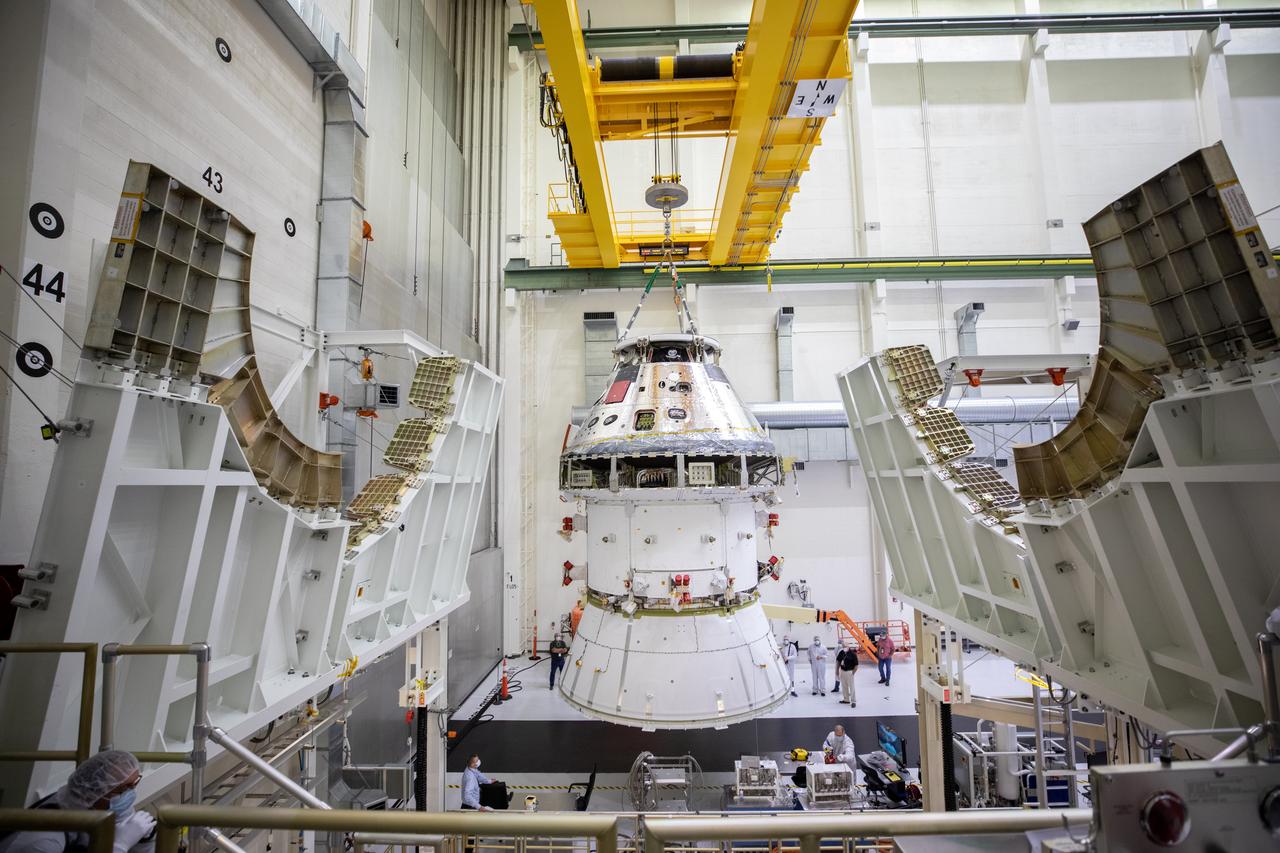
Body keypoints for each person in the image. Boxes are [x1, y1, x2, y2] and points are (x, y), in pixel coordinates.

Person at [0, 750, 155, 853]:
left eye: (134, 785)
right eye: (124, 789)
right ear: (95, 792)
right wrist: (119, 846)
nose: (131, 794)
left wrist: (144, 840)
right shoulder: (43, 843)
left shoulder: (86, 805)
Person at [835, 639, 859, 706]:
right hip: (842, 671)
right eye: (843, 646)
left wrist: (853, 673)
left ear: (848, 646)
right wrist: (837, 671)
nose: (844, 648)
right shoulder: (842, 652)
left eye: (845, 646)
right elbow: (838, 662)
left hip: (849, 672)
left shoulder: (853, 654)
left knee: (851, 687)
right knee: (844, 686)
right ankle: (846, 699)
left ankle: (853, 701)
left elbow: (856, 665)